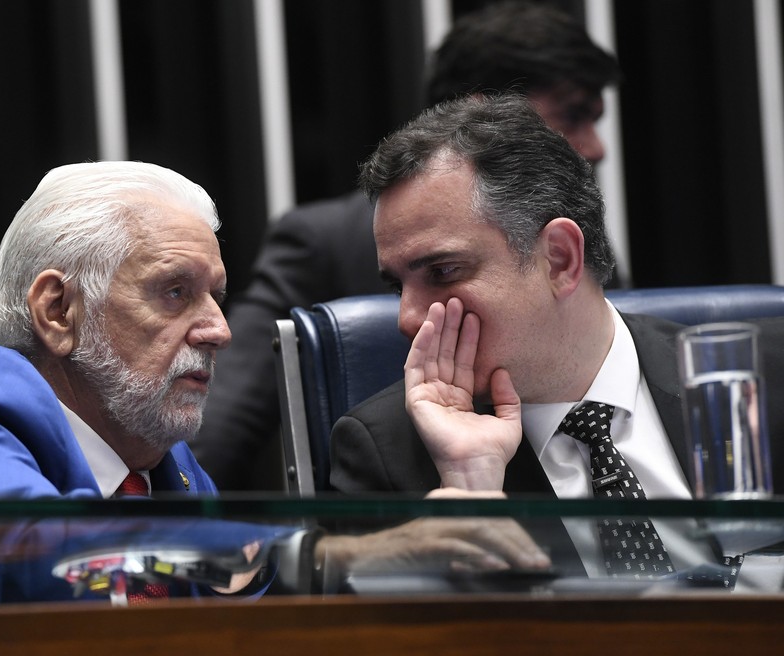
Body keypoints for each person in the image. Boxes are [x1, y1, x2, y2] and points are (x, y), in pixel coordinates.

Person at [0, 161, 549, 610]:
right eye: (174, 293)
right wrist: (335, 555)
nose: (218, 328)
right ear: (58, 312)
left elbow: (248, 601)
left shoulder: (163, 468)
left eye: (216, 295)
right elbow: (54, 557)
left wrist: (467, 488)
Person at [329, 93, 784, 582]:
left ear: (560, 259)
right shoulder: (388, 453)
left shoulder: (761, 377)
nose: (407, 318)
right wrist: (470, 485)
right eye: (398, 285)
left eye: (443, 271)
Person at [194, 1, 621, 490]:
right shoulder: (324, 243)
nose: (596, 146)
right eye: (573, 115)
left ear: (562, 259)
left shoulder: (567, 246)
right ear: (492, 116)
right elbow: (218, 434)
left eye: (441, 271)